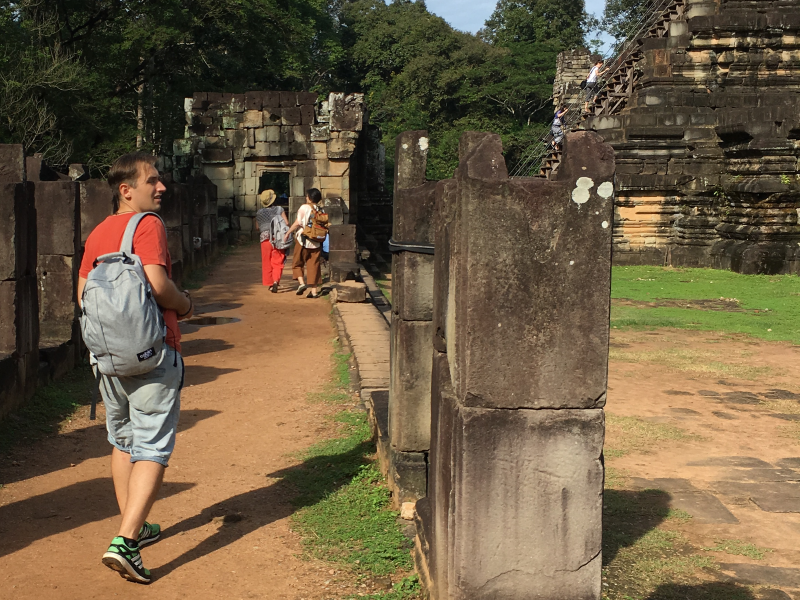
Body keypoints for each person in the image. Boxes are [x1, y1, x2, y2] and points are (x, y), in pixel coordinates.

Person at [77, 152, 194, 584]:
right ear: (127, 190)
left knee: (122, 438)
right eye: (153, 181)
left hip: (108, 360)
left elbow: (83, 295)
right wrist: (185, 305)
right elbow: (159, 285)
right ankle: (126, 542)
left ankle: (135, 523)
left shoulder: (98, 232)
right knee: (153, 445)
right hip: (153, 353)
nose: (160, 188)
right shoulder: (147, 225)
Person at [284, 187, 323, 298]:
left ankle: (301, 283)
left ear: (310, 198)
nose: (306, 198)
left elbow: (298, 223)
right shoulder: (321, 209)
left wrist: (288, 233)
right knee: (314, 266)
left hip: (303, 240)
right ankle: (314, 291)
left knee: (297, 262)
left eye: (307, 196)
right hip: (316, 241)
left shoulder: (304, 208)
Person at [254, 189, 289, 293]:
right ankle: (275, 281)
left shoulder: (259, 212)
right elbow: (286, 223)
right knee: (278, 261)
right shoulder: (279, 209)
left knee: (266, 262)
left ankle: (269, 284)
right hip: (277, 238)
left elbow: (257, 227)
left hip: (265, 239)